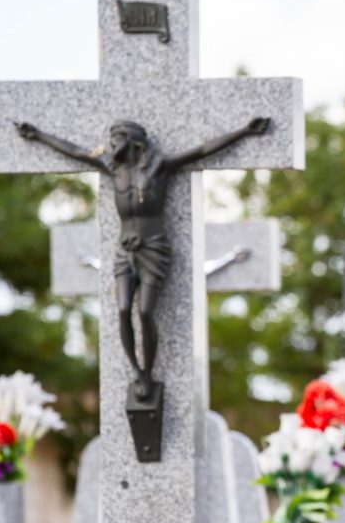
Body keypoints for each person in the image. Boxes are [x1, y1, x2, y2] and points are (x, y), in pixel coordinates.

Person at [16, 117, 270, 399]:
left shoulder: (159, 167)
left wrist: (244, 131)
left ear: (133, 140)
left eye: (116, 138)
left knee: (146, 311)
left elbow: (202, 150)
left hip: (153, 247)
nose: (111, 144)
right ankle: (136, 371)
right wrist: (38, 136)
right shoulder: (113, 169)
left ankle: (148, 372)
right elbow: (75, 152)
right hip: (125, 249)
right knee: (123, 309)